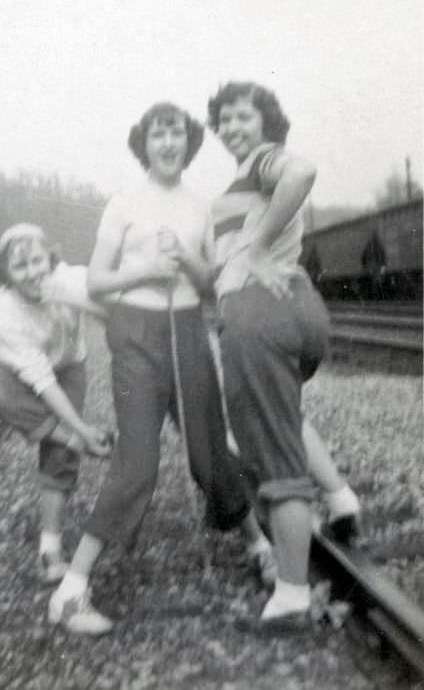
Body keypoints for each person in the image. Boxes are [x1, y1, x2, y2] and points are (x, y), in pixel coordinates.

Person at [48, 102, 275, 636]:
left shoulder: (202, 207)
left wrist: (188, 260)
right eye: (158, 134)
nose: (169, 143)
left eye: (177, 133)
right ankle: (71, 590)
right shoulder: (123, 203)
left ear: (189, 142)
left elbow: (208, 280)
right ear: (144, 144)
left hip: (188, 333)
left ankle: (261, 548)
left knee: (209, 455)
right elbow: (99, 282)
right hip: (135, 336)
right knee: (139, 463)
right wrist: (146, 266)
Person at [206, 80, 354, 629]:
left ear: (266, 122)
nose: (230, 128)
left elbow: (302, 173)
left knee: (275, 460)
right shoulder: (240, 183)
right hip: (297, 308)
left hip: (260, 316)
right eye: (223, 120)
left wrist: (257, 248)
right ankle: (340, 501)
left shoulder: (265, 161)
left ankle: (292, 594)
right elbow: (223, 265)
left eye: (242, 117)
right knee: (275, 429)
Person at [0, 223, 113, 585]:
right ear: (5, 274)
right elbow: (39, 379)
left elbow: (112, 315)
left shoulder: (71, 279)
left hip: (68, 362)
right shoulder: (4, 310)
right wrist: (78, 430)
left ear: (50, 259)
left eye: (37, 260)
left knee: (58, 457)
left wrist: (71, 299)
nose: (33, 273)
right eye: (20, 267)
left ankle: (49, 548)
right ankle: (66, 437)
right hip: (11, 368)